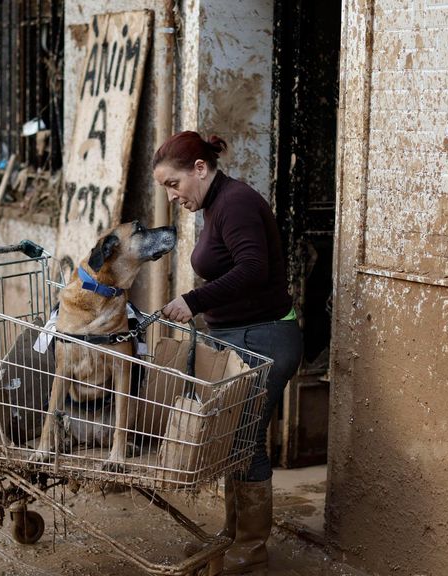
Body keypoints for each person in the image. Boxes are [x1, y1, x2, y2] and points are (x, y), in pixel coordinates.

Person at [154, 131, 304, 574]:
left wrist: (194, 301)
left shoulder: (235, 203)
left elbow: (254, 268)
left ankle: (251, 548)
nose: (171, 196)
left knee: (244, 441)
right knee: (232, 441)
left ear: (200, 168)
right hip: (241, 337)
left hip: (264, 339)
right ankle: (233, 535)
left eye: (173, 184)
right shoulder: (216, 204)